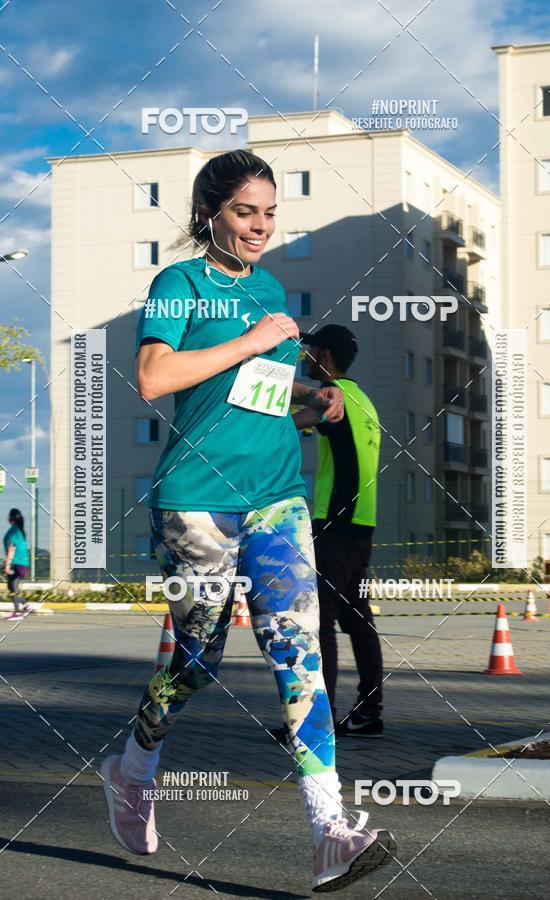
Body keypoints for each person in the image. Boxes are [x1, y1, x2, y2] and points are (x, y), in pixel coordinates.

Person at [100, 150, 395, 893]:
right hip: (197, 500)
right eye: (244, 211)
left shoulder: (267, 288)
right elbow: (154, 377)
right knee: (196, 663)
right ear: (209, 214)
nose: (261, 226)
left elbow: (256, 394)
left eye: (269, 213)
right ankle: (133, 768)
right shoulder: (179, 284)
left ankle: (330, 831)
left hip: (277, 496)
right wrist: (255, 340)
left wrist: (310, 400)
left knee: (299, 656)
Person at [293, 326, 385, 738]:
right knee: (359, 622)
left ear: (325, 354)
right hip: (362, 525)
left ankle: (320, 720)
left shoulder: (334, 397)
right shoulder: (365, 401)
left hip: (334, 524)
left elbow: (294, 423)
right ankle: (369, 713)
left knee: (321, 622)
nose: (306, 356)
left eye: (310, 350)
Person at [3, 508, 31, 621]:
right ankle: (25, 604)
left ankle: (17, 613)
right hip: (23, 563)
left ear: (11, 518)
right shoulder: (20, 531)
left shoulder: (13, 531)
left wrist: (7, 564)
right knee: (12, 586)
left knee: (13, 587)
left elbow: (12, 548)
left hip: (16, 563)